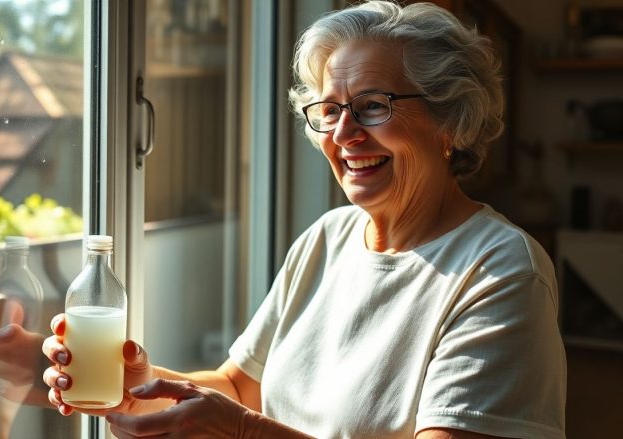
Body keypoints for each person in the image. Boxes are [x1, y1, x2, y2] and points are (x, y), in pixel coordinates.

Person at [36, 1, 567, 438]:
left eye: (373, 106)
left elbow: (241, 418)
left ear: (450, 120)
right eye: (330, 109)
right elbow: (241, 387)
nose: (343, 134)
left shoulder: (503, 272)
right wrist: (139, 385)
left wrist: (244, 433)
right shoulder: (327, 239)